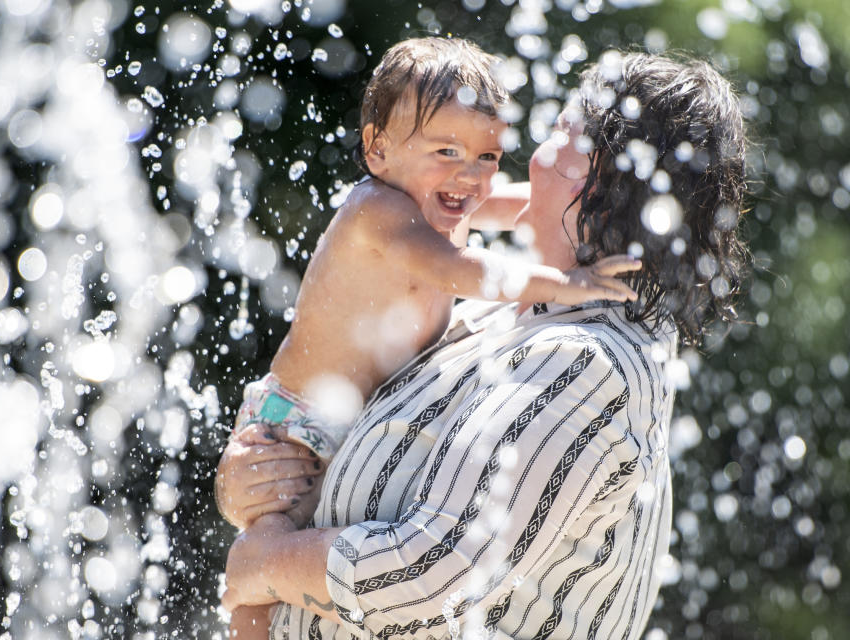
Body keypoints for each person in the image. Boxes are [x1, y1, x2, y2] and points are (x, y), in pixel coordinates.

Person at [217, 49, 750, 640]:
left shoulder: (584, 364)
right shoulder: (504, 321)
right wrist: (253, 478)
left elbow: (435, 576)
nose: (520, 165)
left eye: (559, 131)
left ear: (593, 176)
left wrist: (263, 564)